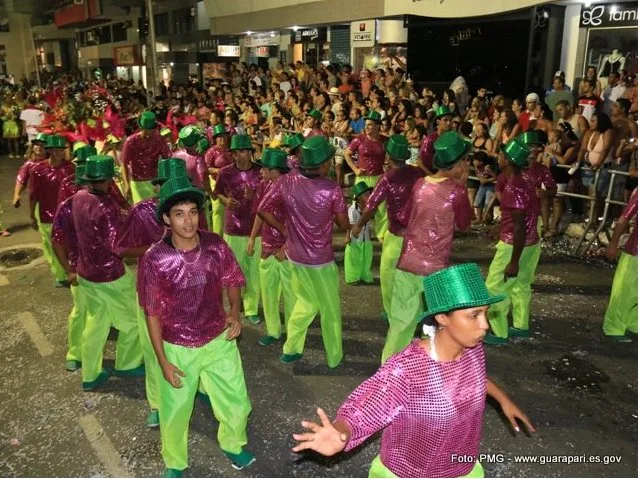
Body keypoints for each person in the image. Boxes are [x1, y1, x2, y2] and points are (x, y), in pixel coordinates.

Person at [292, 263, 535, 478]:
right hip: (411, 472)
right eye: (474, 315)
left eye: (484, 313)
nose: (485, 325)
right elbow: (367, 408)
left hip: (460, 467)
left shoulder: (471, 348)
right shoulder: (408, 370)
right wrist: (341, 432)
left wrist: (504, 400)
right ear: (442, 318)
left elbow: (474, 378)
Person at [138, 176, 254, 476]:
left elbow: (231, 278)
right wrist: (162, 360)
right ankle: (175, 462)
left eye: (192, 211)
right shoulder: (155, 259)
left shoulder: (215, 244)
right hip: (178, 346)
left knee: (237, 401)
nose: (188, 221)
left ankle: (233, 443)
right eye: (179, 214)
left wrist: (235, 311)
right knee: (175, 411)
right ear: (166, 218)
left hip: (218, 338)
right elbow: (151, 311)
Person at [381, 131, 473, 362]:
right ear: (459, 163)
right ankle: (434, 374)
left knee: (400, 325)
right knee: (440, 328)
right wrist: (461, 187)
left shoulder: (420, 183)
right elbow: (464, 225)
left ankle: (388, 373)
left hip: (408, 263)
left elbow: (403, 216)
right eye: (466, 159)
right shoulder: (457, 191)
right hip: (436, 271)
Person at [259, 136, 349, 368]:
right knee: (330, 309)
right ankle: (334, 356)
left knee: (305, 302)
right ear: (321, 165)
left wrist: (285, 229)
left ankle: (291, 349)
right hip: (321, 261)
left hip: (296, 257)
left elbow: (263, 209)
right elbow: (343, 224)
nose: (330, 164)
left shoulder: (286, 181)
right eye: (329, 161)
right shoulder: (331, 188)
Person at [115, 158, 191, 428]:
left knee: (191, 344)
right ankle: (158, 403)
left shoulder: (191, 208)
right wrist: (156, 249)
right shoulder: (140, 211)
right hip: (152, 293)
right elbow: (122, 249)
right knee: (152, 348)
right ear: (158, 187)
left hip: (187, 291)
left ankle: (195, 388)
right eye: (168, 185)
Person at [70, 155, 144, 390]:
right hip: (111, 275)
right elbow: (119, 248)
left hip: (86, 273)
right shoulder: (107, 207)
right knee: (135, 320)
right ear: (108, 179)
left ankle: (90, 375)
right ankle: (127, 363)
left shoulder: (79, 197)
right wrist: (151, 248)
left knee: (96, 323)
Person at [352, 135, 423, 320]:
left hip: (396, 235)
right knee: (414, 277)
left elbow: (371, 205)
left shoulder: (387, 179)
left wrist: (359, 224)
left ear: (388, 157)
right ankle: (416, 313)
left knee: (389, 275)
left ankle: (392, 312)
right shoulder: (418, 173)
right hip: (417, 235)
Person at [484, 139, 539, 344]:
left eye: (501, 155)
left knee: (495, 286)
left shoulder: (514, 186)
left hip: (514, 245)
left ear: (507, 160)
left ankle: (498, 332)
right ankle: (521, 324)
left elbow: (518, 226)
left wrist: (513, 260)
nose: (498, 158)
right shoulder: (524, 181)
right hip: (531, 242)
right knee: (522, 284)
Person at [246, 148, 294, 347]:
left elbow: (297, 221)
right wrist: (252, 238)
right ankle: (273, 331)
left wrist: (287, 243)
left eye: (264, 169)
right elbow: (260, 213)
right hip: (267, 247)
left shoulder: (291, 188)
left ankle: (293, 334)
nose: (261, 172)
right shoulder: (264, 186)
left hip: (286, 250)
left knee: (291, 294)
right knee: (268, 293)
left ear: (275, 170)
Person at [214, 134, 263, 324]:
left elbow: (270, 196)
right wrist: (227, 201)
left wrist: (256, 194)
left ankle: (251, 308)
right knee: (234, 268)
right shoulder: (225, 172)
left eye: (243, 151)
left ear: (250, 152)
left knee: (254, 270)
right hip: (233, 227)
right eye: (236, 152)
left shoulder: (261, 171)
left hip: (254, 229)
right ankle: (236, 303)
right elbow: (217, 192)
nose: (239, 156)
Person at [29, 135, 75, 287]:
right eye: (55, 150)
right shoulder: (38, 170)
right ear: (48, 150)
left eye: (61, 150)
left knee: (69, 245)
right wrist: (32, 216)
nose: (58, 153)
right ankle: (61, 276)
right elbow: (33, 195)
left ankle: (70, 271)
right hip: (47, 216)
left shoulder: (71, 168)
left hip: (68, 215)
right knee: (53, 246)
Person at [343, 110, 389, 242]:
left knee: (381, 208)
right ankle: (355, 233)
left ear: (377, 126)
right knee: (358, 207)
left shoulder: (385, 140)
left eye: (370, 124)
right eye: (366, 124)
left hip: (379, 177)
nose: (367, 127)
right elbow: (347, 154)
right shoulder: (359, 139)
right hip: (362, 178)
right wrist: (355, 169)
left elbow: (390, 157)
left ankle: (382, 235)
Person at [602, 188, 637, 343]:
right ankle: (613, 327)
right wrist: (613, 244)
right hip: (635, 252)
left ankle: (633, 324)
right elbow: (624, 218)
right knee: (624, 292)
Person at [121, 111, 171, 203]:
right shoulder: (130, 141)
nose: (149, 132)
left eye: (151, 129)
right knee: (141, 212)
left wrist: (164, 180)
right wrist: (126, 184)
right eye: (146, 129)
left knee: (154, 211)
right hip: (137, 183)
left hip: (154, 181)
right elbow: (124, 163)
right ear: (141, 127)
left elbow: (168, 159)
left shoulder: (159, 139)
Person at [205, 124, 234, 235]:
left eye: (224, 136)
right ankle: (217, 236)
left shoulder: (232, 150)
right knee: (217, 209)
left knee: (230, 208)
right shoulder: (211, 152)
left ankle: (228, 234)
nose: (222, 138)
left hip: (231, 183)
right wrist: (219, 171)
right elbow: (207, 169)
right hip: (215, 182)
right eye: (219, 136)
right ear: (215, 139)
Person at [344, 182, 374, 285]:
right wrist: (347, 236)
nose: (368, 196)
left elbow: (368, 223)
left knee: (366, 258)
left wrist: (369, 233)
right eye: (366, 194)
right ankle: (353, 278)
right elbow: (349, 224)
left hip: (365, 239)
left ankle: (365, 276)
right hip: (355, 239)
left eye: (369, 194)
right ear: (359, 197)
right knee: (354, 259)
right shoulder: (352, 210)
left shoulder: (368, 208)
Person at [13, 133, 48, 208]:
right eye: (36, 144)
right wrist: (17, 195)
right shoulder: (29, 164)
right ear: (32, 147)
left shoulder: (54, 163)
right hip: (36, 200)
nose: (39, 147)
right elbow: (21, 180)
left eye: (42, 145)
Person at [418, 105, 453, 175]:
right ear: (438, 122)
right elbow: (422, 164)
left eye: (450, 120)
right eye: (445, 120)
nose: (449, 123)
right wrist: (434, 178)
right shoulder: (430, 139)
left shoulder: (450, 138)